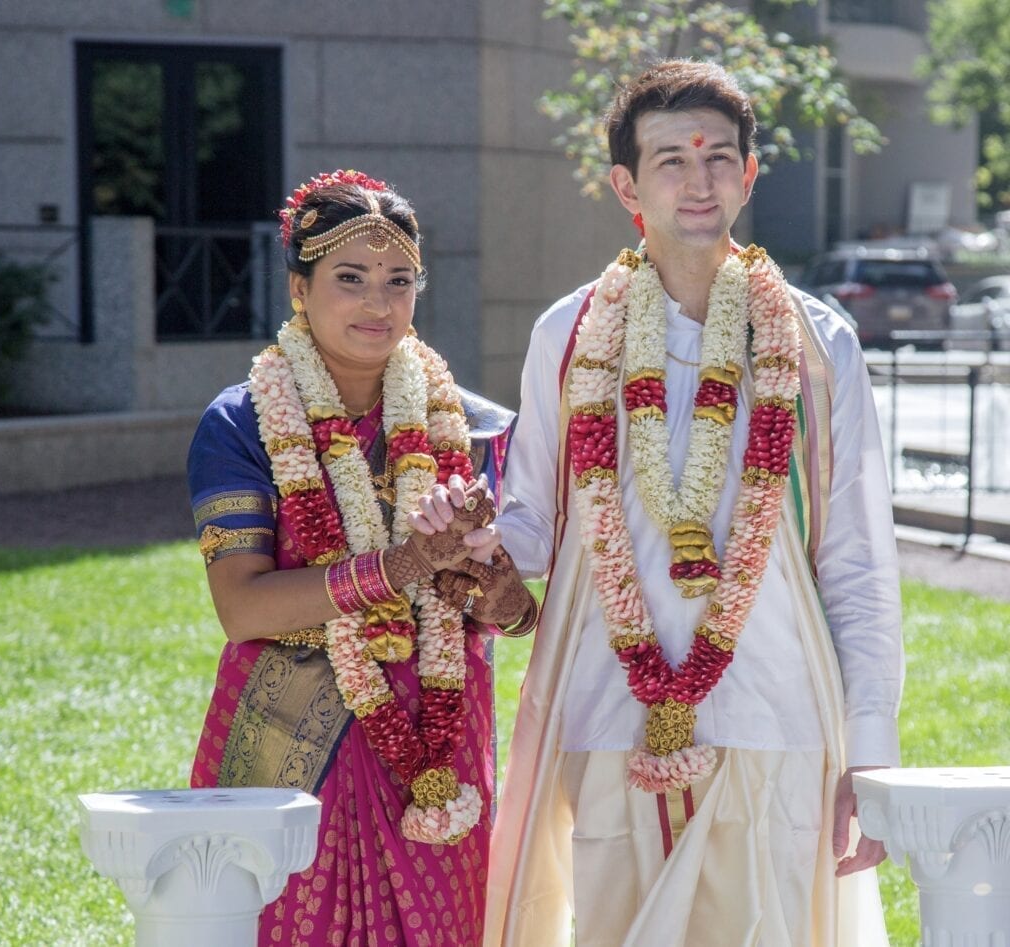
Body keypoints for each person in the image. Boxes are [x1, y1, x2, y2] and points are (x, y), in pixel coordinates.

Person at [482, 60, 904, 946]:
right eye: (671, 159)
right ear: (626, 185)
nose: (698, 179)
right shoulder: (566, 335)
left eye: (718, 158)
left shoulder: (818, 344)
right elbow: (527, 522)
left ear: (749, 175)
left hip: (776, 712)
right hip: (607, 711)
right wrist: (462, 548)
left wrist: (869, 750)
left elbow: (858, 556)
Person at [186, 169, 537, 946]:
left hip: (435, 749)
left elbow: (514, 616)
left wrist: (498, 589)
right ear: (299, 288)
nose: (378, 303)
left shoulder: (474, 430)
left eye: (398, 280)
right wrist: (403, 566)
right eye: (351, 278)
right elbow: (242, 606)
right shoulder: (241, 423)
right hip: (286, 747)